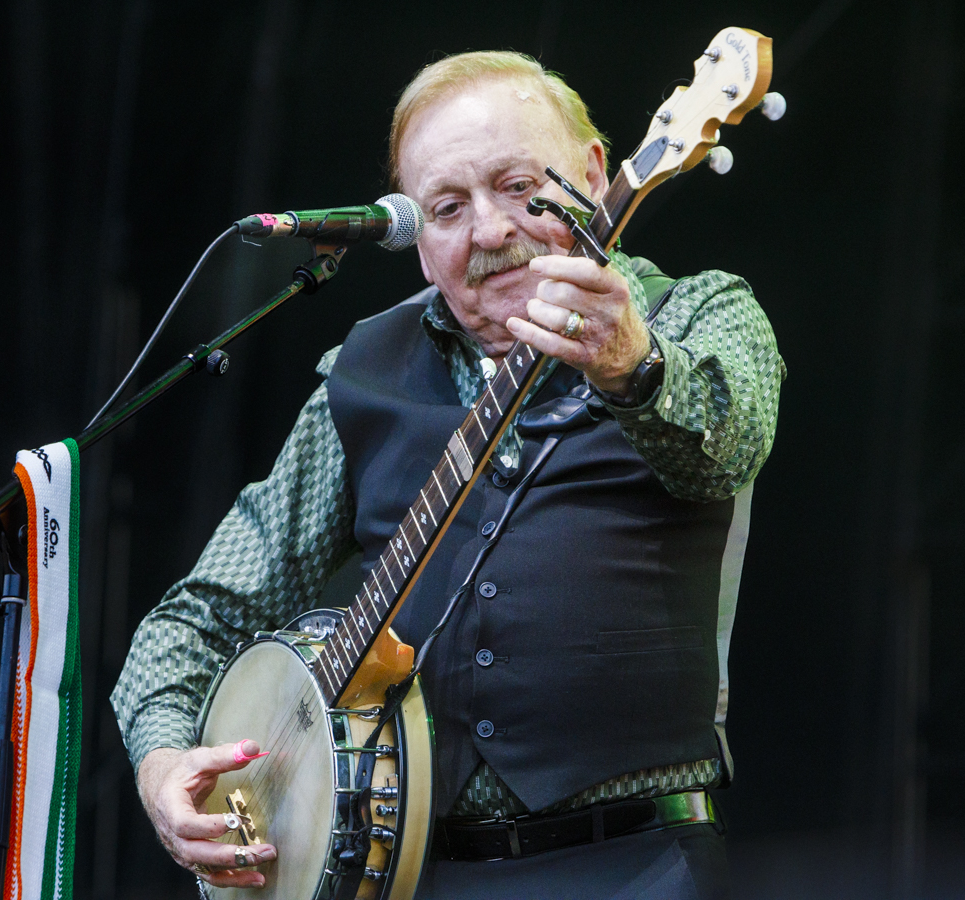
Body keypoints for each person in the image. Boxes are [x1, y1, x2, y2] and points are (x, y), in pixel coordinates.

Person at [111, 50, 784, 899]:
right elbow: (198, 615)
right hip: (409, 879)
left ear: (594, 173)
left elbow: (729, 442)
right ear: (420, 245)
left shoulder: (698, 314)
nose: (492, 231)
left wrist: (634, 366)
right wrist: (163, 760)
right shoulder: (361, 372)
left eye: (516, 185)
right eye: (448, 208)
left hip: (636, 865)